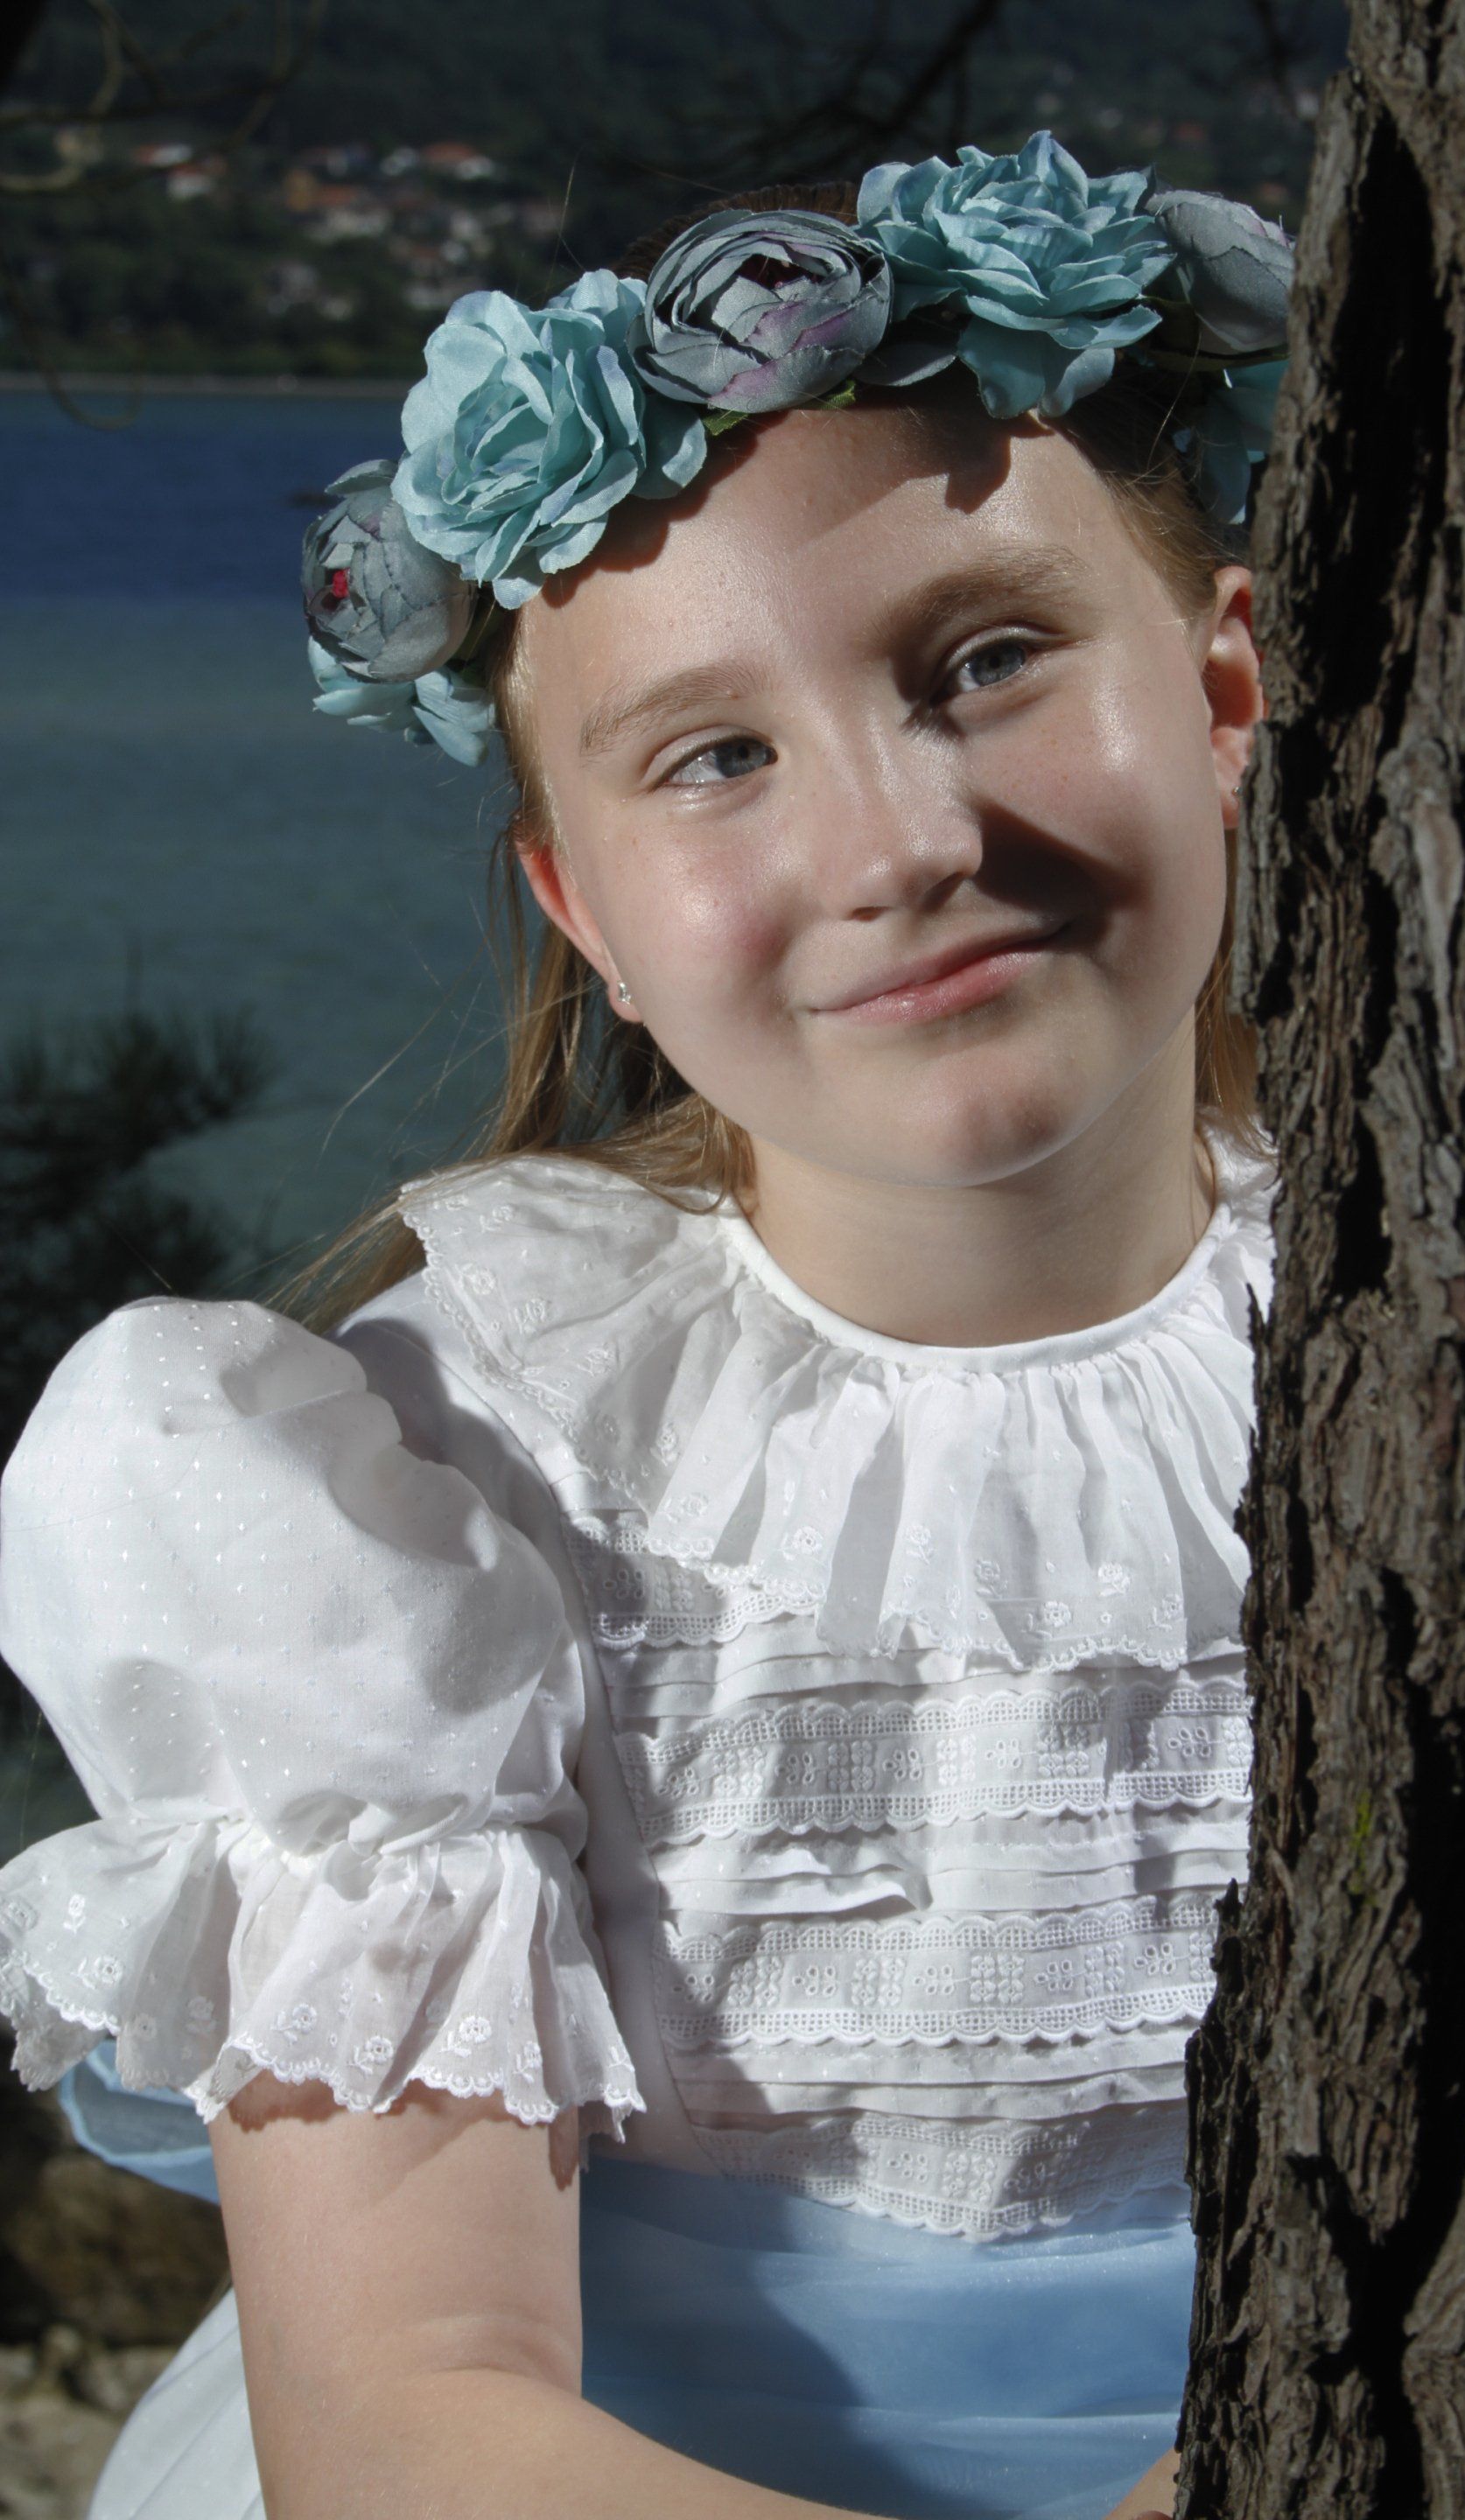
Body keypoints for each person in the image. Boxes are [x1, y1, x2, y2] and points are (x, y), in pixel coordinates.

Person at [0, 133, 1289, 2520]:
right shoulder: (418, 1491)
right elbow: (404, 2426)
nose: (898, 844)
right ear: (582, 907)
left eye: (988, 660)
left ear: (1224, 682)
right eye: (718, 758)